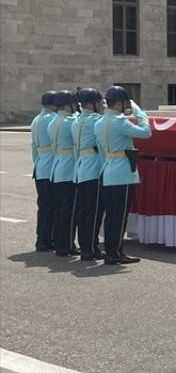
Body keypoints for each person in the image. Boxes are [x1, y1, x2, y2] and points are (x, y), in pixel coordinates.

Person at [95, 86, 152, 265]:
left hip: (107, 170)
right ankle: (115, 253)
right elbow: (146, 133)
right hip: (122, 173)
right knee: (120, 215)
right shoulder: (119, 121)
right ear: (119, 103)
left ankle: (112, 250)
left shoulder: (99, 122)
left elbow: (102, 151)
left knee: (112, 214)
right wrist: (141, 114)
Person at [71, 88, 106, 261]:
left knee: (84, 211)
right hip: (93, 168)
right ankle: (90, 248)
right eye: (99, 102)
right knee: (94, 212)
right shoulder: (96, 121)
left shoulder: (76, 121)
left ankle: (87, 246)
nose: (101, 105)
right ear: (92, 104)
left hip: (81, 168)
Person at [49, 91, 80, 257]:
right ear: (68, 105)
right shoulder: (70, 122)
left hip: (57, 166)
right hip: (69, 170)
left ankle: (60, 243)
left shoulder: (53, 121)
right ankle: (67, 245)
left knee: (61, 210)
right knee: (69, 211)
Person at [30, 91, 57, 252]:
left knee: (44, 205)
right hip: (51, 166)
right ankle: (48, 239)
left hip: (40, 164)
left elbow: (33, 147)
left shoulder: (36, 120)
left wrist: (38, 162)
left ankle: (42, 238)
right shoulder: (52, 119)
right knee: (52, 206)